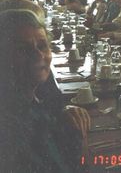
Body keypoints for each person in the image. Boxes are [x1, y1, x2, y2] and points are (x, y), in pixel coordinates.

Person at [0, 10, 90, 172]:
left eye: (42, 46)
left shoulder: (32, 99)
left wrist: (63, 113)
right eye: (23, 49)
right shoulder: (10, 125)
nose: (38, 54)